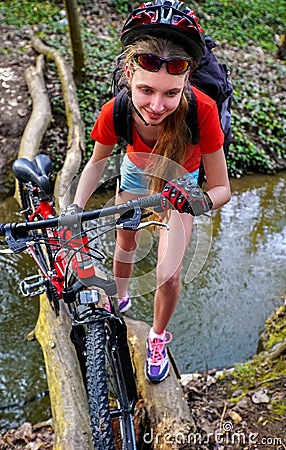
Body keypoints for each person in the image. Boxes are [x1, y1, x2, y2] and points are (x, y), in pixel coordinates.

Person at [73, 0, 231, 383]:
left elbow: (222, 189)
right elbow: (96, 164)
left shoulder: (203, 110)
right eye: (145, 90)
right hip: (133, 177)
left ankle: (158, 337)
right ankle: (120, 296)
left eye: (170, 93)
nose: (156, 106)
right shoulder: (116, 110)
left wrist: (196, 202)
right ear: (128, 74)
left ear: (186, 81)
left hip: (181, 185)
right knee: (124, 243)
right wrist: (75, 208)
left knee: (168, 274)